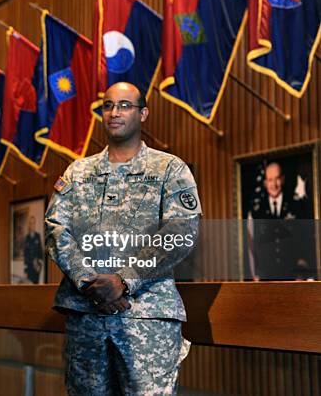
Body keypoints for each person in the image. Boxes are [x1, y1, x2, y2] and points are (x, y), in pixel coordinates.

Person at [45, 82, 201, 395]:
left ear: (143, 113)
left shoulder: (169, 169)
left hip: (147, 318)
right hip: (87, 317)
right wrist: (89, 281)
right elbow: (56, 228)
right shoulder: (78, 172)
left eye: (125, 105)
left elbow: (182, 230)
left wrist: (125, 279)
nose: (115, 112)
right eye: (108, 105)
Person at [247, 162, 315, 280]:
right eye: (270, 180)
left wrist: (303, 270)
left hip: (292, 275)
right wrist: (255, 273)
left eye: (277, 179)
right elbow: (253, 244)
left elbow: (305, 239)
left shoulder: (296, 205)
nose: (274, 184)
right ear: (265, 183)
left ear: (282, 179)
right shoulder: (257, 210)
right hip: (265, 276)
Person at [23, 216, 43, 283]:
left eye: (33, 223)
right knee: (29, 286)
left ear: (35, 224)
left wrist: (39, 265)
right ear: (29, 225)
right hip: (29, 267)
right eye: (31, 223)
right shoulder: (27, 238)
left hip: (36, 267)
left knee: (36, 285)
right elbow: (25, 254)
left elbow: (40, 251)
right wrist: (25, 270)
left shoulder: (38, 236)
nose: (32, 225)